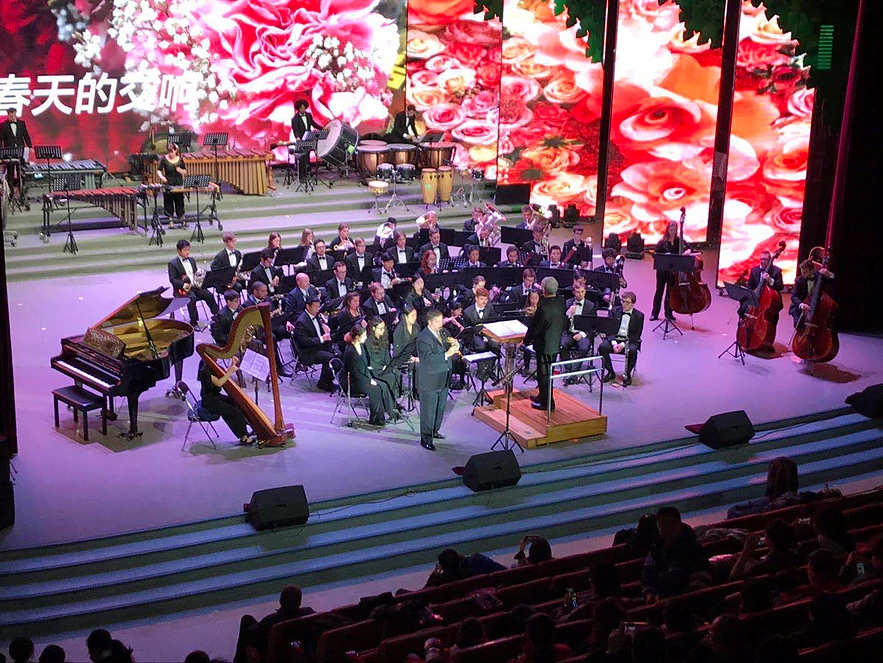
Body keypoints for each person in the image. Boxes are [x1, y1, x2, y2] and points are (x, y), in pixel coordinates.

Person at [641, 506, 710, 601]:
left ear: (680, 524)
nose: (669, 529)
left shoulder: (693, 549)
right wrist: (649, 594)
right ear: (659, 528)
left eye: (672, 523)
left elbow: (701, 580)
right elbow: (647, 577)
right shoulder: (654, 552)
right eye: (664, 525)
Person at [234, 584, 315, 663]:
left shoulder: (272, 621)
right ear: (299, 602)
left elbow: (250, 635)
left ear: (280, 600)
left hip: (275, 653)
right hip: (296, 647)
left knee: (246, 620)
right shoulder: (308, 613)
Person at [416, 309, 459, 450]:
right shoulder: (423, 338)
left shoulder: (443, 332)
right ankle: (426, 438)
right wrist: (447, 354)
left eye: (441, 321)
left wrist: (454, 344)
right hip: (430, 378)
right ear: (430, 321)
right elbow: (427, 359)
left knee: (440, 407)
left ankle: (435, 431)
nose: (441, 324)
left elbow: (447, 344)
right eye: (438, 321)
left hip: (444, 375)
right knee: (429, 410)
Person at [523, 277, 567, 411]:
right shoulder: (561, 301)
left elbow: (536, 327)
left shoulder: (543, 306)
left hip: (545, 345)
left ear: (544, 290)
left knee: (544, 375)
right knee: (548, 373)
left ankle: (547, 403)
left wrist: (525, 341)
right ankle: (542, 396)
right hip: (555, 342)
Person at [344, 325, 399, 428]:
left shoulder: (362, 346)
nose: (366, 337)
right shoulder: (350, 351)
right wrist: (369, 380)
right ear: (357, 337)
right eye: (364, 336)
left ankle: (393, 412)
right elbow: (355, 373)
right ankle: (377, 419)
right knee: (376, 389)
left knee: (384, 385)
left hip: (364, 377)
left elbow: (366, 365)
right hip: (353, 381)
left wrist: (370, 377)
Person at [197, 357, 256, 445]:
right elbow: (219, 383)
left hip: (215, 397)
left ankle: (245, 431)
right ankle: (243, 437)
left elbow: (223, 374)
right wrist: (231, 371)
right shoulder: (205, 370)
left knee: (235, 402)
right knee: (235, 412)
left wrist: (233, 364)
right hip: (209, 401)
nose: (217, 357)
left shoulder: (211, 365)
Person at [168, 239, 218, 327]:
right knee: (192, 298)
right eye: (185, 250)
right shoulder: (173, 263)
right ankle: (194, 321)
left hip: (195, 286)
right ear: (179, 251)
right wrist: (183, 284)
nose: (187, 252)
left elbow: (195, 273)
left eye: (188, 249)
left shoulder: (191, 260)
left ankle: (217, 315)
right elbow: (173, 280)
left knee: (208, 294)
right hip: (182, 290)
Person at [651, 220, 694, 321]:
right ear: (668, 230)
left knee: (670, 293)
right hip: (662, 271)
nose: (673, 231)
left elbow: (691, 249)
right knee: (659, 291)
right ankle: (655, 313)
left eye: (675, 230)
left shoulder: (679, 241)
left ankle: (669, 313)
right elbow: (655, 254)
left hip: (674, 272)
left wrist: (686, 252)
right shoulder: (662, 242)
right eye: (671, 229)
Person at [598, 290, 643, 386]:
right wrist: (614, 343)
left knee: (633, 350)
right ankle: (610, 372)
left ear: (633, 303)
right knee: (602, 347)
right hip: (614, 338)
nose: (624, 304)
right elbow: (608, 330)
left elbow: (636, 335)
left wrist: (622, 345)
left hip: (629, 340)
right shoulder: (614, 311)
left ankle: (627, 374)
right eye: (623, 301)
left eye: (627, 302)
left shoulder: (639, 316)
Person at [293, 297, 336, 391]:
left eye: (318, 306)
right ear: (308, 306)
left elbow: (317, 330)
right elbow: (304, 342)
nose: (318, 309)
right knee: (331, 358)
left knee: (339, 354)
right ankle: (323, 383)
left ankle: (328, 380)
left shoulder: (316, 316)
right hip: (309, 352)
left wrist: (324, 329)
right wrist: (322, 338)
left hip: (319, 347)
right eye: (315, 307)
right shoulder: (301, 322)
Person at [561, 281, 596, 381]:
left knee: (584, 348)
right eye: (577, 292)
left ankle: (573, 372)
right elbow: (561, 323)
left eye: (582, 292)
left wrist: (582, 334)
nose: (580, 294)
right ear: (574, 292)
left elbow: (593, 326)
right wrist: (568, 314)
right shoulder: (567, 303)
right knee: (561, 346)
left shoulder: (591, 306)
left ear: (585, 292)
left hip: (583, 334)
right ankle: (569, 369)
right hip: (569, 333)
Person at [424, 547, 505, 586]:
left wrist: (432, 577)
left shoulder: (441, 581)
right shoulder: (478, 560)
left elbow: (423, 596)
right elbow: (503, 571)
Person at [789, 257, 835, 327]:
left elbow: (833, 282)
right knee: (798, 324)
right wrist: (801, 304)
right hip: (801, 306)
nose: (803, 274)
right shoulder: (799, 280)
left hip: (816, 305)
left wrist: (830, 274)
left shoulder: (819, 276)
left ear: (812, 270)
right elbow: (794, 296)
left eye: (805, 272)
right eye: (802, 272)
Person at [291, 99, 322, 182]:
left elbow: (314, 124)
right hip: (301, 140)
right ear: (298, 109)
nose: (303, 109)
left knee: (307, 156)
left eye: (304, 108)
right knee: (302, 158)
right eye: (301, 108)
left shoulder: (308, 115)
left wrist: (322, 128)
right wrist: (297, 137)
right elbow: (295, 130)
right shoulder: (295, 119)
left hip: (308, 138)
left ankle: (308, 174)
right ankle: (302, 176)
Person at [156, 141, 187, 223]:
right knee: (168, 202)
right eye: (169, 152)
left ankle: (182, 219)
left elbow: (185, 172)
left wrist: (180, 171)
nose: (170, 154)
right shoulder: (164, 159)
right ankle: (170, 220)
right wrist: (162, 177)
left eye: (172, 152)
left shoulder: (180, 159)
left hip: (178, 183)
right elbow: (158, 170)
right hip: (168, 183)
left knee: (179, 201)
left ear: (176, 150)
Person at [463, 287, 499, 355]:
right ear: (476, 298)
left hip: (488, 333)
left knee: (495, 345)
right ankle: (482, 365)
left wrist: (487, 336)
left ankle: (491, 364)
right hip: (475, 335)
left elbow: (492, 323)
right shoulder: (467, 312)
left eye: (486, 299)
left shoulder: (490, 307)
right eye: (481, 299)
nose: (484, 301)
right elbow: (467, 331)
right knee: (480, 346)